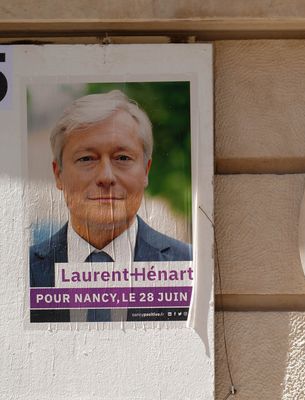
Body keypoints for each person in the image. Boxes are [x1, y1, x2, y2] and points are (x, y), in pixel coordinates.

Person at [29, 90, 192, 323]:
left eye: (122, 158)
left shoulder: (187, 264)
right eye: (87, 158)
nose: (106, 176)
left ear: (145, 171)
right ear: (58, 175)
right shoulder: (22, 272)